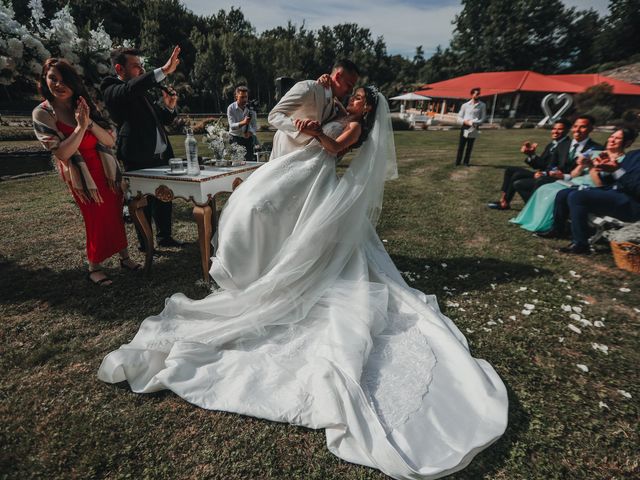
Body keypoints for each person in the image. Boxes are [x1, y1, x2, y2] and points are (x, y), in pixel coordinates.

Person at [98, 87, 507, 480]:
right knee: (255, 208)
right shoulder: (338, 112)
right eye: (355, 95)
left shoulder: (355, 127)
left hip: (315, 172)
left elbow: (335, 150)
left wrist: (314, 133)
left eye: (360, 98)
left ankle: (267, 271)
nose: (354, 99)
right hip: (297, 168)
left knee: (275, 218)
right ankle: (251, 265)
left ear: (368, 108)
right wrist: (311, 122)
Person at [32, 58, 140, 286]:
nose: (58, 85)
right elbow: (62, 153)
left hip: (107, 171)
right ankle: (94, 266)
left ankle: (125, 257)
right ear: (44, 80)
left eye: (64, 80)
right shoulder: (42, 113)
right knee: (95, 218)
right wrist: (81, 128)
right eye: (53, 78)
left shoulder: (84, 105)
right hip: (81, 176)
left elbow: (109, 140)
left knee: (114, 214)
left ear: (74, 83)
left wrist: (88, 122)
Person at [101, 46, 184, 251]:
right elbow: (130, 89)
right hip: (137, 156)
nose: (141, 69)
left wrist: (169, 107)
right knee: (142, 202)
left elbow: (161, 119)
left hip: (161, 156)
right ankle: (146, 245)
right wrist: (163, 70)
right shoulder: (112, 88)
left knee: (165, 197)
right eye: (136, 66)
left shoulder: (142, 93)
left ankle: (165, 237)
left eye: (141, 66)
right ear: (120, 68)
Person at [511, 128, 636, 232]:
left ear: (627, 143)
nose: (612, 140)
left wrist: (592, 167)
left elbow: (600, 185)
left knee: (555, 193)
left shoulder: (622, 161)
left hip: (593, 186)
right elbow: (574, 174)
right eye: (611, 136)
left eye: (617, 138)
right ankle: (534, 220)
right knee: (545, 188)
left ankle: (549, 225)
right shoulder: (594, 152)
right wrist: (581, 165)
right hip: (577, 181)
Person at [548, 146, 640, 255]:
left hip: (631, 203)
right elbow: (615, 178)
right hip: (615, 191)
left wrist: (617, 170)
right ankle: (558, 230)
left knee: (578, 197)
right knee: (564, 193)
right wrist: (606, 166)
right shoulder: (633, 154)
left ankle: (581, 244)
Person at [267, 58, 359, 160]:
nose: (350, 91)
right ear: (337, 76)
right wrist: (297, 126)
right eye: (349, 85)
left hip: (307, 160)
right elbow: (274, 115)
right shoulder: (308, 88)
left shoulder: (334, 105)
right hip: (284, 153)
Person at [512, 115, 603, 203]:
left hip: (576, 182)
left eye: (583, 127)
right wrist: (545, 172)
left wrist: (564, 176)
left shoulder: (596, 148)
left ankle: (537, 210)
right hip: (555, 179)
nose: (577, 130)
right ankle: (538, 208)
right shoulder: (562, 145)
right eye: (575, 126)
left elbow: (590, 174)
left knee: (541, 181)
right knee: (519, 184)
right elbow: (551, 165)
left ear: (591, 129)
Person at [487, 119, 571, 210]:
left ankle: (507, 203)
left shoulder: (566, 145)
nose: (555, 131)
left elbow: (558, 167)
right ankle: (503, 200)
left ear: (567, 130)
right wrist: (531, 155)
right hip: (542, 173)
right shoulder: (552, 144)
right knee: (510, 170)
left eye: (560, 129)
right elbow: (540, 164)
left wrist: (544, 172)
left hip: (550, 177)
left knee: (517, 175)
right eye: (554, 128)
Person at [455, 87, 486, 166]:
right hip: (465, 126)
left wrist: (474, 122)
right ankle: (458, 162)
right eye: (476, 94)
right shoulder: (465, 105)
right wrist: (465, 121)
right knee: (461, 145)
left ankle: (466, 162)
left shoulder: (482, 105)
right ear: (472, 94)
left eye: (478, 94)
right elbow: (459, 117)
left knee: (469, 146)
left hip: (474, 127)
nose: (477, 95)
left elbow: (483, 118)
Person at [227, 85, 258, 162]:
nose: (244, 99)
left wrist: (250, 133)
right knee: (236, 162)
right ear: (236, 96)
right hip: (235, 138)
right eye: (242, 97)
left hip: (248, 139)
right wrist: (244, 122)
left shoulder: (251, 108)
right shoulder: (231, 108)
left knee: (249, 162)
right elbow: (232, 126)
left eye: (246, 97)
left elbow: (254, 125)